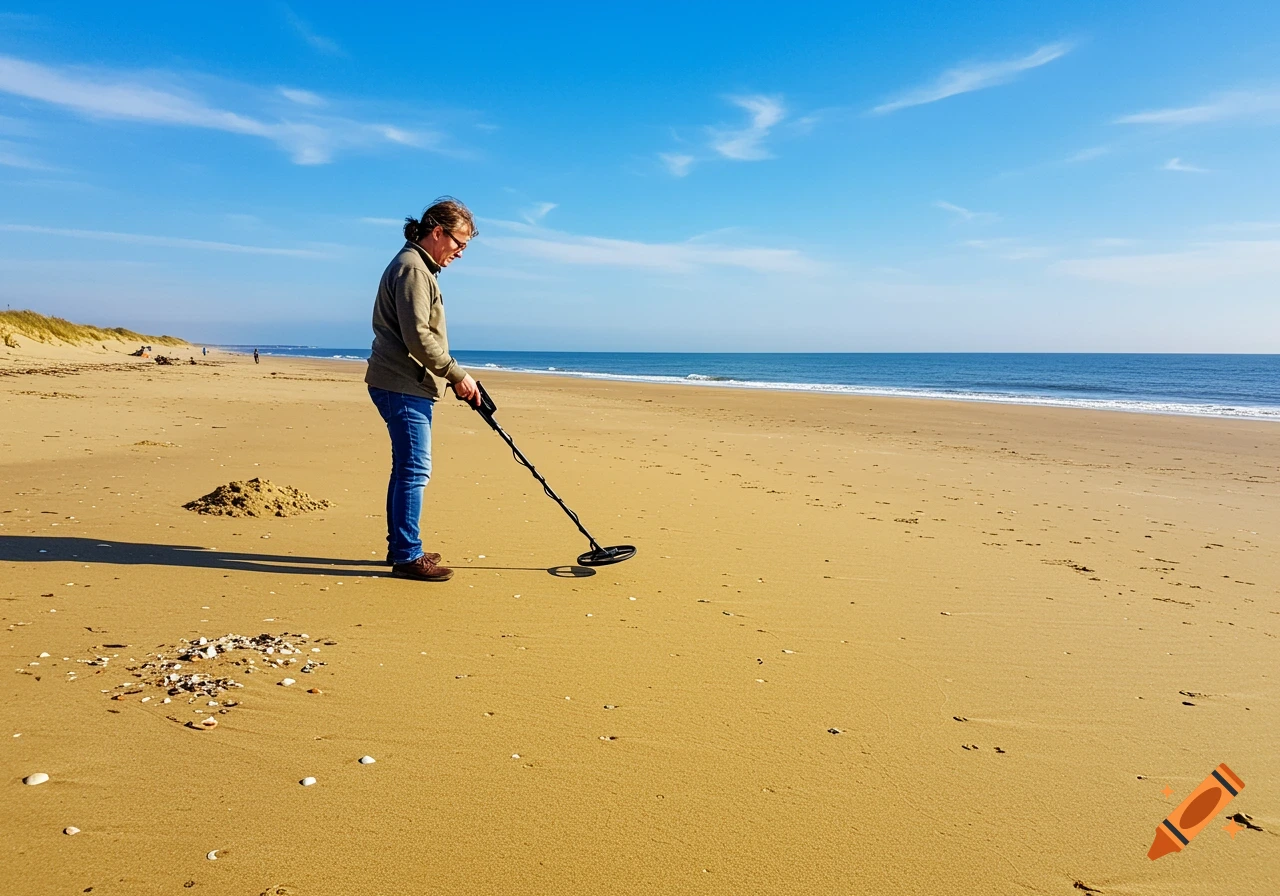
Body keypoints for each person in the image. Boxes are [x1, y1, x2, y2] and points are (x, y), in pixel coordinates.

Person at [365, 196, 481, 582]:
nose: (461, 253)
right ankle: (406, 555)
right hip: (402, 383)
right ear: (437, 232)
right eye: (459, 243)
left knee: (407, 469)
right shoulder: (413, 269)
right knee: (414, 469)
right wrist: (457, 374)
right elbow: (418, 337)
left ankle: (403, 546)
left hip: (404, 382)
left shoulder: (416, 266)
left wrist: (451, 375)